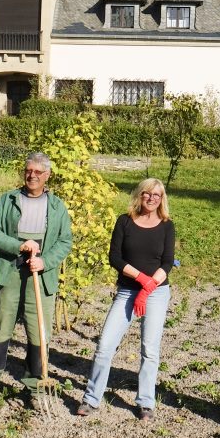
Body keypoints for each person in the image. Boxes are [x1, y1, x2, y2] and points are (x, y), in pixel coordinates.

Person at [0, 152, 73, 405]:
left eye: (39, 172)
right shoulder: (7, 200)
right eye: (29, 171)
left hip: (41, 275)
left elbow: (65, 242)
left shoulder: (57, 206)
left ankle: (36, 389)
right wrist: (18, 245)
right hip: (12, 271)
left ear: (47, 175)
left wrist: (45, 261)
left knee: (39, 332)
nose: (32, 176)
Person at [77, 178, 176, 421]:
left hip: (157, 293)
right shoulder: (125, 221)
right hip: (127, 291)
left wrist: (148, 287)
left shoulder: (166, 225)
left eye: (157, 195)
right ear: (139, 195)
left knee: (149, 350)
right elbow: (115, 258)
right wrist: (142, 279)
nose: (151, 198)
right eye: (147, 193)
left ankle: (145, 403)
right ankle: (91, 399)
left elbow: (167, 262)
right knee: (104, 346)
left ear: (162, 199)